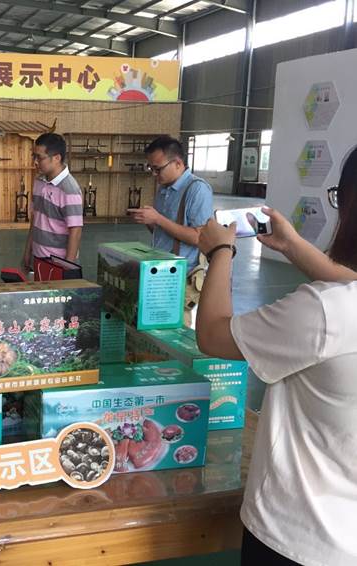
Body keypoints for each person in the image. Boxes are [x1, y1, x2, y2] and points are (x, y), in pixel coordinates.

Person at [195, 147, 357, 566]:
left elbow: (213, 334)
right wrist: (293, 246)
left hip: (297, 535)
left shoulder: (326, 312)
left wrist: (220, 253)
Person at [129, 136, 213, 325]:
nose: (154, 174)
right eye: (151, 168)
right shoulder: (164, 189)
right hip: (160, 273)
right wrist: (148, 221)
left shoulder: (197, 190)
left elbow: (199, 237)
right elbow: (165, 233)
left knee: (175, 329)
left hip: (182, 276)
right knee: (156, 326)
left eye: (158, 169)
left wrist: (158, 219)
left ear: (177, 163)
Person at [23, 133, 83, 276]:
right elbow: (35, 219)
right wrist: (27, 251)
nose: (35, 162)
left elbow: (75, 230)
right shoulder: (39, 181)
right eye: (34, 156)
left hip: (57, 263)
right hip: (38, 257)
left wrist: (66, 269)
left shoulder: (69, 189)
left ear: (56, 158)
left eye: (39, 157)